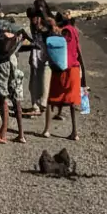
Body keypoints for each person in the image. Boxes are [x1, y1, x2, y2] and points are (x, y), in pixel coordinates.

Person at [0, 0, 28, 144]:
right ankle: (21, 134)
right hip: (14, 69)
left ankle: (2, 133)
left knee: (2, 99)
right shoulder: (16, 40)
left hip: (3, 66)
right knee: (15, 101)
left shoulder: (3, 38)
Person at [43, 10, 85, 141]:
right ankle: (74, 132)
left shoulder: (61, 33)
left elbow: (55, 51)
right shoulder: (74, 31)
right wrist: (83, 71)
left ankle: (47, 130)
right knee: (71, 102)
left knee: (51, 99)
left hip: (62, 69)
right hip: (74, 69)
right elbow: (79, 50)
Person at [25, 0, 53, 117]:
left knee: (45, 83)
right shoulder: (34, 24)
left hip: (45, 56)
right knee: (33, 83)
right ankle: (36, 105)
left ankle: (42, 106)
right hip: (36, 55)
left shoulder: (48, 24)